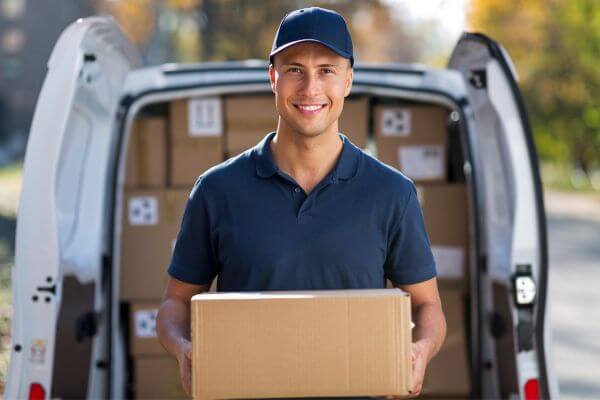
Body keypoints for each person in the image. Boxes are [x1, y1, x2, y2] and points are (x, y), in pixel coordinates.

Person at [156, 7, 446, 398]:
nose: (310, 88)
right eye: (294, 69)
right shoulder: (217, 191)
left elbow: (428, 307)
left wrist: (420, 351)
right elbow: (175, 303)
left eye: (326, 70)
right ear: (272, 77)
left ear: (348, 80)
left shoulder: (391, 193)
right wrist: (185, 350)